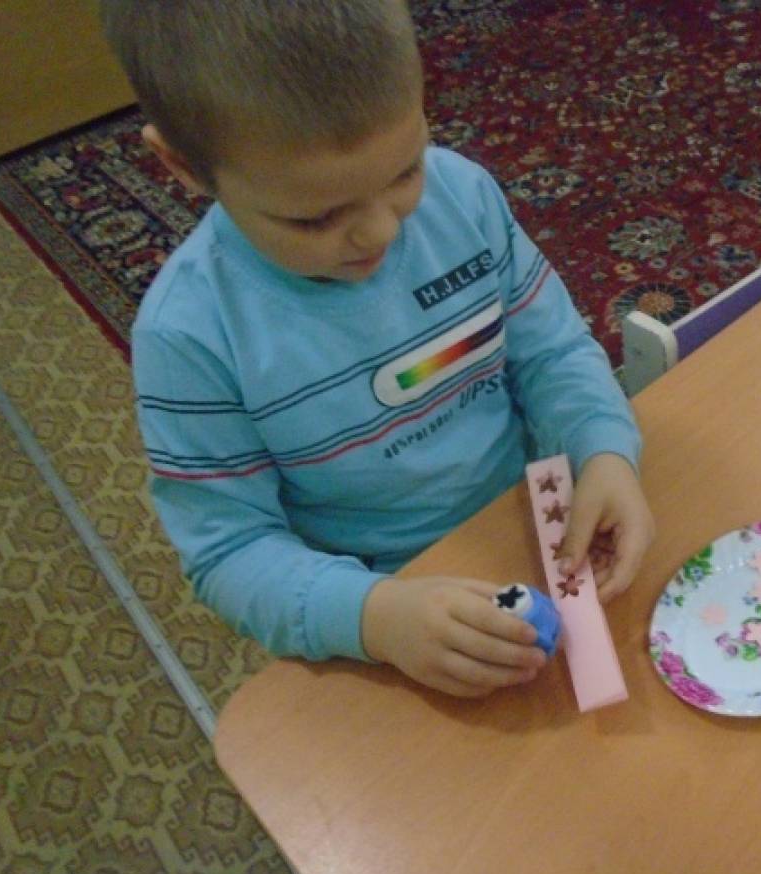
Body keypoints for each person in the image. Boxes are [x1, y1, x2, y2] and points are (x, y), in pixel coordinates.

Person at [100, 0, 655, 698]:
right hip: (382, 602)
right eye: (314, 218)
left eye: (403, 172)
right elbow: (230, 551)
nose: (379, 233)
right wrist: (376, 618)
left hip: (530, 521)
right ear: (183, 166)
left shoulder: (463, 196)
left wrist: (603, 449)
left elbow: (553, 354)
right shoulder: (189, 335)